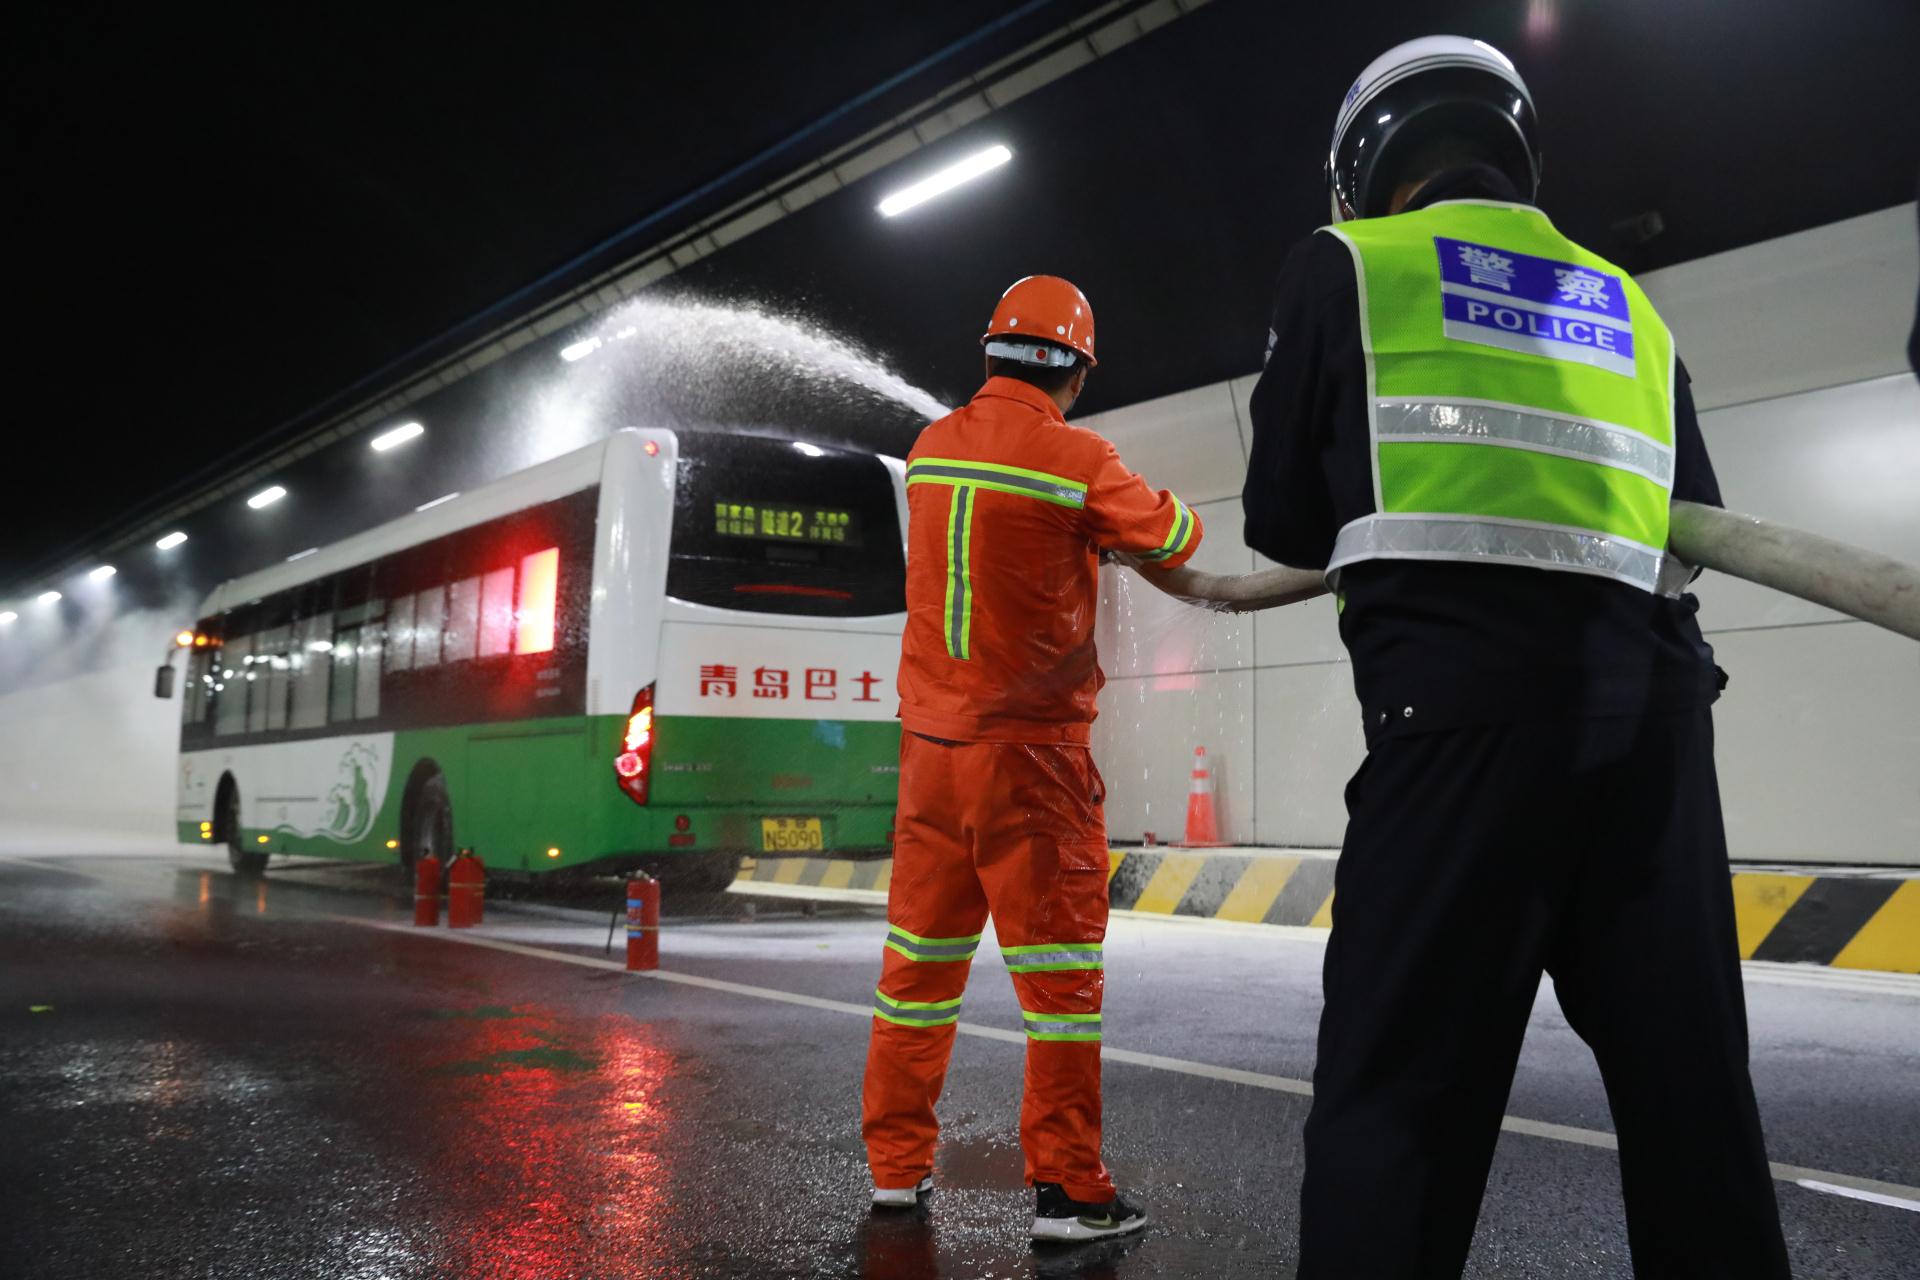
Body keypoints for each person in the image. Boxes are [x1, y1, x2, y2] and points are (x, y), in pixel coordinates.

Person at [1242, 36, 1791, 1278]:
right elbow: (1689, 518)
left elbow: (1280, 519)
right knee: (1695, 1111)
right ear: (1510, 151)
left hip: (1458, 732)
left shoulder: (1344, 266)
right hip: (1653, 732)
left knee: (1396, 1112)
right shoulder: (1630, 305)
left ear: (1364, 166)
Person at [862, 275, 1203, 1243]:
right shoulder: (1078, 456)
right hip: (1033, 762)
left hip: (932, 754)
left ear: (991, 354)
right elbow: (1178, 534)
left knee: (916, 972)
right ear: (1078, 369)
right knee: (1057, 985)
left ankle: (896, 1170)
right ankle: (1068, 1190)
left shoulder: (930, 449)